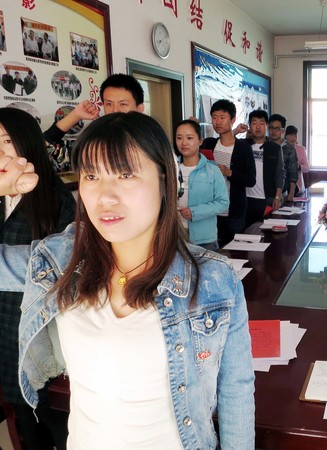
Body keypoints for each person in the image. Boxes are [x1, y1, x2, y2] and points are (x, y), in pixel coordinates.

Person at [0, 112, 255, 450]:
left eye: (125, 174)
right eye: (92, 176)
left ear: (165, 180)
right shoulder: (60, 261)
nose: (105, 196)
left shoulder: (213, 281)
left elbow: (236, 390)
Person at [0, 108, 76, 450]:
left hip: (35, 334)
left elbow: (63, 270)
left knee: (55, 421)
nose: (0, 152)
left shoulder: (54, 198)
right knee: (24, 426)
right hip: (3, 334)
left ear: (27, 143)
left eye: (6, 141)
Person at [201, 99, 256, 244]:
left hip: (234, 212)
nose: (218, 122)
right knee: (211, 250)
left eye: (222, 117)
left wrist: (229, 173)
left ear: (233, 119)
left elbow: (251, 180)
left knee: (235, 250)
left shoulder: (243, 148)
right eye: (214, 117)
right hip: (211, 212)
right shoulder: (208, 144)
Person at [43, 73, 144, 146]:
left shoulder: (148, 139)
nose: (114, 110)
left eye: (123, 104)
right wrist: (76, 115)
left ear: (140, 108)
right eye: (109, 104)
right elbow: (43, 147)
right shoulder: (96, 139)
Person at [175, 119, 229, 251]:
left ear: (200, 141)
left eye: (189, 138)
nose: (184, 143)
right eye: (179, 138)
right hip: (176, 235)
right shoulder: (171, 169)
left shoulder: (212, 170)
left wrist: (194, 212)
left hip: (204, 239)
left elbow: (223, 203)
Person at [243, 109, 284, 227]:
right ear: (249, 126)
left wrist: (277, 197)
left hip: (267, 199)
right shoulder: (243, 145)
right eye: (254, 123)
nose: (258, 127)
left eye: (261, 123)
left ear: (266, 126)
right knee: (246, 232)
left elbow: (280, 173)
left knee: (267, 232)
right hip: (246, 199)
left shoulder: (274, 148)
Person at [268, 114, 298, 202]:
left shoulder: (289, 149)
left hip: (282, 191)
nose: (274, 131)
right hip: (265, 190)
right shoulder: (264, 145)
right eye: (271, 128)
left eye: (277, 129)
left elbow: (293, 173)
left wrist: (291, 193)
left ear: (283, 131)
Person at [285, 125, 309, 196]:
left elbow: (307, 168)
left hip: (298, 188)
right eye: (290, 135)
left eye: (295, 136)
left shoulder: (301, 149)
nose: (293, 138)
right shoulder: (282, 149)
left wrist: (299, 167)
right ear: (286, 136)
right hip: (284, 188)